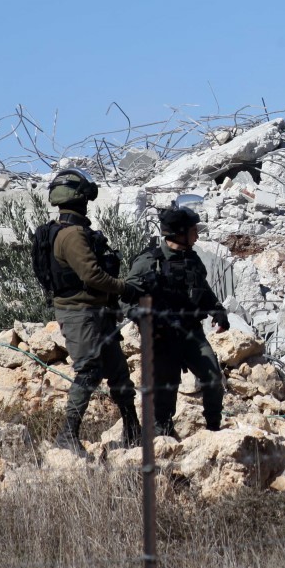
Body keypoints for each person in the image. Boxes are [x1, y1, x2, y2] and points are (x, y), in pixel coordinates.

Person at [40, 168, 145, 451]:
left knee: (119, 372)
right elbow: (92, 276)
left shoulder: (71, 231)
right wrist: (125, 288)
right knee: (88, 371)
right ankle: (67, 435)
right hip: (80, 314)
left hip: (95, 312)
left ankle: (133, 429)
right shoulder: (72, 235)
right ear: (81, 197)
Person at [125, 205, 229, 435]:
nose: (197, 235)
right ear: (180, 232)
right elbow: (125, 295)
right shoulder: (148, 261)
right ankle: (164, 434)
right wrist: (140, 316)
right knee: (165, 389)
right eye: (193, 230)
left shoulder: (193, 259)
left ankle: (213, 428)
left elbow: (203, 290)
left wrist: (217, 311)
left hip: (191, 333)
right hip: (161, 337)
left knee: (212, 377)